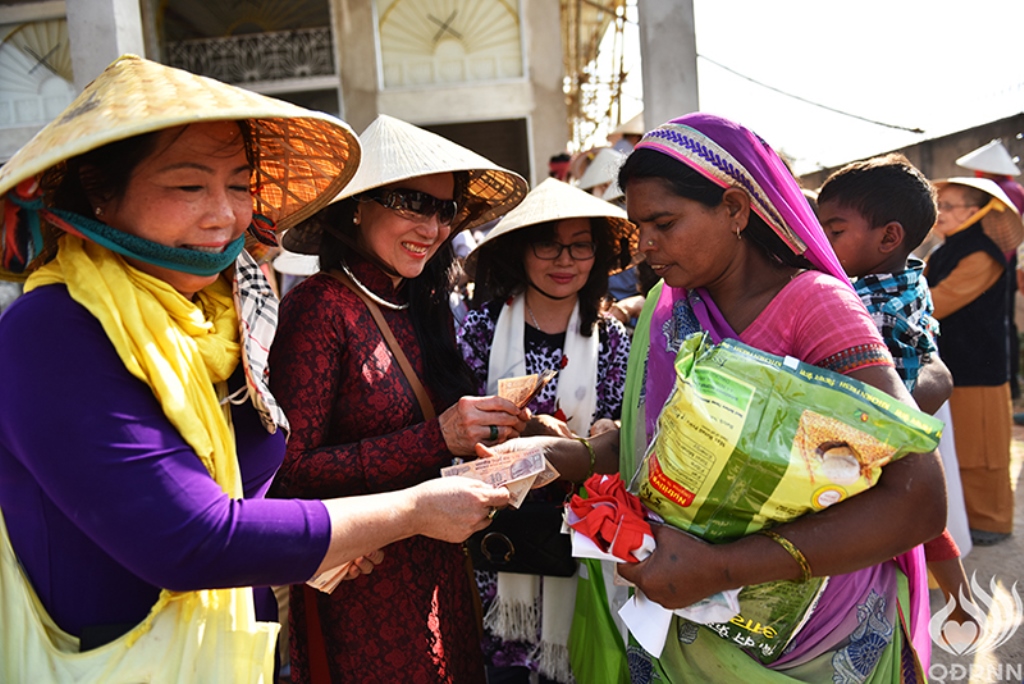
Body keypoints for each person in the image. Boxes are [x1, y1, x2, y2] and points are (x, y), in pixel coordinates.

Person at [0, 56, 510, 683]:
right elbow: (190, 540)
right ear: (100, 195)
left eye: (240, 186)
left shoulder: (227, 318)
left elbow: (254, 494)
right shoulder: (52, 330)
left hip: (238, 653)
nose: (224, 215)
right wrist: (408, 510)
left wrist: (316, 549)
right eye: (190, 187)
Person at [490, 114, 946, 683]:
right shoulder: (666, 307)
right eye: (639, 227)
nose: (645, 246)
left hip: (814, 638)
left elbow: (919, 499)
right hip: (682, 617)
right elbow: (661, 446)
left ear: (734, 208)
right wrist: (574, 455)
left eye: (663, 222)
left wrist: (725, 567)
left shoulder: (815, 308)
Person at [268, 114, 529, 683]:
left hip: (441, 572)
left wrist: (510, 438)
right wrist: (439, 437)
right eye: (412, 202)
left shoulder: (419, 302)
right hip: (363, 587)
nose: (432, 227)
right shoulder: (319, 308)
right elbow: (286, 475)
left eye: (444, 210)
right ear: (358, 206)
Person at [458, 177, 634, 683]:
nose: (565, 259)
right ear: (520, 252)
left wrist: (592, 437)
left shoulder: (614, 338)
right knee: (505, 665)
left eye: (581, 245)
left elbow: (627, 433)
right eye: (548, 244)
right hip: (497, 537)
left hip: (582, 537)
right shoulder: (481, 326)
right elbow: (451, 426)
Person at [816, 153, 974, 621]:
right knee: (923, 520)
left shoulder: (858, 297)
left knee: (891, 522)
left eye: (835, 230)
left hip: (874, 427)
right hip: (909, 422)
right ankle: (960, 600)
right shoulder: (912, 279)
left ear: (888, 236)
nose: (822, 241)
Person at [925, 177, 1024, 547]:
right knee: (959, 447)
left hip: (981, 368)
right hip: (954, 364)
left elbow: (939, 299)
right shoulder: (944, 250)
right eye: (939, 206)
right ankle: (966, 520)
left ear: (975, 210)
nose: (941, 214)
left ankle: (992, 521)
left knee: (983, 452)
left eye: (949, 206)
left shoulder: (982, 253)